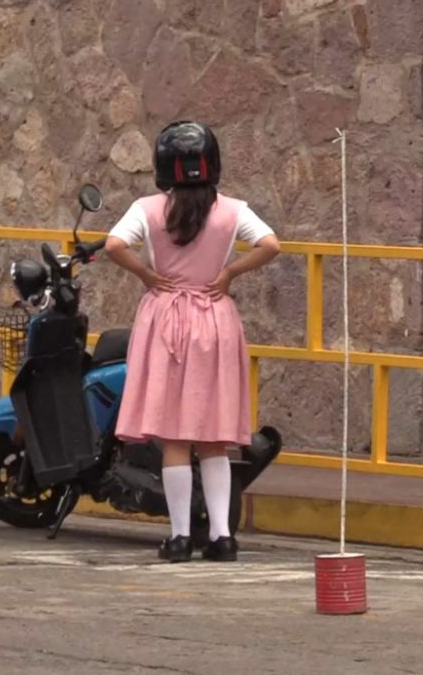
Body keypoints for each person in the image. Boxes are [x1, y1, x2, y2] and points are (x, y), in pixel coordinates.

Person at [104, 121, 280, 563]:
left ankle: (180, 537)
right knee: (214, 435)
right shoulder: (232, 210)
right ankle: (222, 537)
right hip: (214, 315)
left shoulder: (147, 208)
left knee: (175, 436)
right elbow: (270, 244)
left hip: (165, 316)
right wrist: (230, 273)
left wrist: (146, 274)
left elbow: (112, 245)